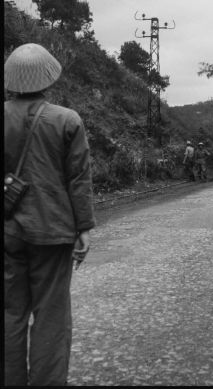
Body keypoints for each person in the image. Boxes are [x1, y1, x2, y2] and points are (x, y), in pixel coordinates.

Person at [4, 43, 96, 387]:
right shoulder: (66, 120)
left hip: (8, 230)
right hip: (53, 231)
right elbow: (78, 178)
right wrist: (83, 227)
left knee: (10, 313)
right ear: (49, 78)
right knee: (51, 315)